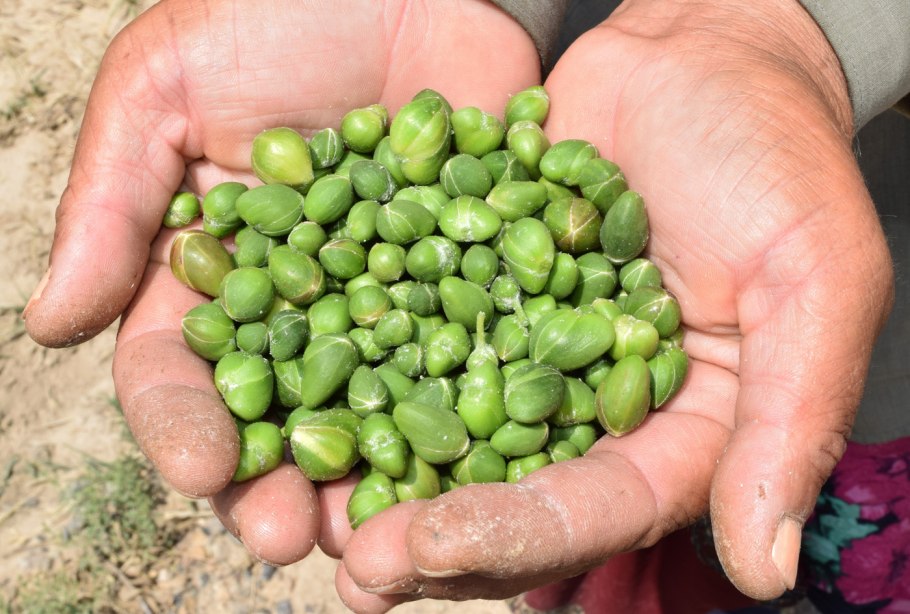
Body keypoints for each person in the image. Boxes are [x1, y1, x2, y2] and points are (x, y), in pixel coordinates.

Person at [22, 0, 910, 612]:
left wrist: (784, 24)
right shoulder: (387, 286)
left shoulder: (559, 274)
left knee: (774, 483)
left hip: (852, 165)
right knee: (582, 528)